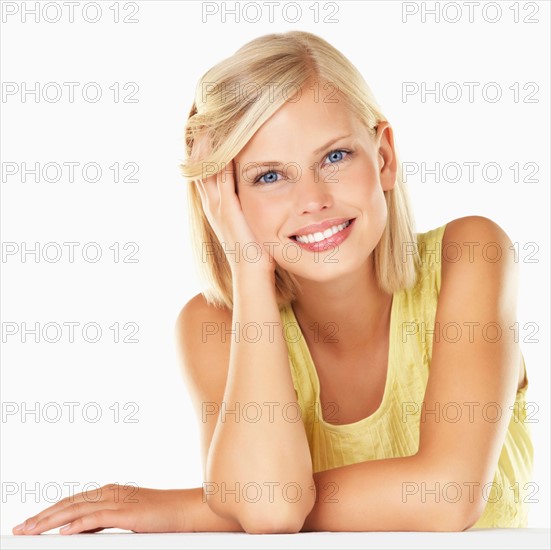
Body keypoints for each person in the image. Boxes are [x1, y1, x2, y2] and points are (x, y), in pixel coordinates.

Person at [13, 30, 533, 536]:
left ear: (384, 157)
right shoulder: (212, 325)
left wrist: (192, 510)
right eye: (269, 176)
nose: (312, 199)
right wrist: (248, 269)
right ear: (224, 198)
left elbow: (446, 496)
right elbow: (270, 511)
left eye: (334, 157)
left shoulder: (470, 253)